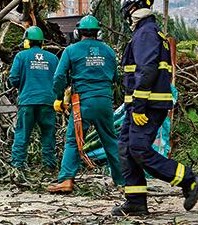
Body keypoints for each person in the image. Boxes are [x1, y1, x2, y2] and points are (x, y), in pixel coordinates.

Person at [114, 0, 198, 216]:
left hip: (147, 105)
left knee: (138, 149)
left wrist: (139, 105)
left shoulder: (146, 32)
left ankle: (189, 179)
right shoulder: (149, 31)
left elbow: (147, 70)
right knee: (126, 148)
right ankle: (135, 201)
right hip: (140, 105)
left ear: (131, 8)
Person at [47, 15, 123, 193]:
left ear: (77, 32)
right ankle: (122, 180)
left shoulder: (71, 50)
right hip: (104, 101)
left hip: (83, 103)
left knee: (73, 140)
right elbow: (116, 78)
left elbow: (59, 77)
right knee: (110, 140)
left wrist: (58, 97)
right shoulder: (109, 51)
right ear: (99, 33)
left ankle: (66, 180)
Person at [8, 26, 59, 172]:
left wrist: (23, 87)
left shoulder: (21, 56)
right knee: (48, 134)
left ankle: (18, 165)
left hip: (28, 101)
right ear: (42, 42)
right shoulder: (53, 58)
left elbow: (13, 78)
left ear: (27, 42)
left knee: (22, 133)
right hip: (47, 102)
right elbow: (59, 78)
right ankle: (49, 165)